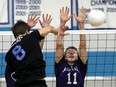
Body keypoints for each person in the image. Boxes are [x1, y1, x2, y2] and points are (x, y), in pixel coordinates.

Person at [5, 14, 57, 87]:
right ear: (27, 30)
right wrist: (59, 32)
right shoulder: (30, 37)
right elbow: (50, 28)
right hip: (37, 83)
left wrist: (28, 27)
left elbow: (35, 50)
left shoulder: (9, 54)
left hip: (20, 84)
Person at [55, 7, 87, 87]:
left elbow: (83, 46)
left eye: (74, 52)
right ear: (64, 57)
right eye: (69, 52)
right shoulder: (61, 64)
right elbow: (59, 46)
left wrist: (81, 24)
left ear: (78, 56)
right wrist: (62, 23)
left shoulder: (80, 65)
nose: (71, 53)